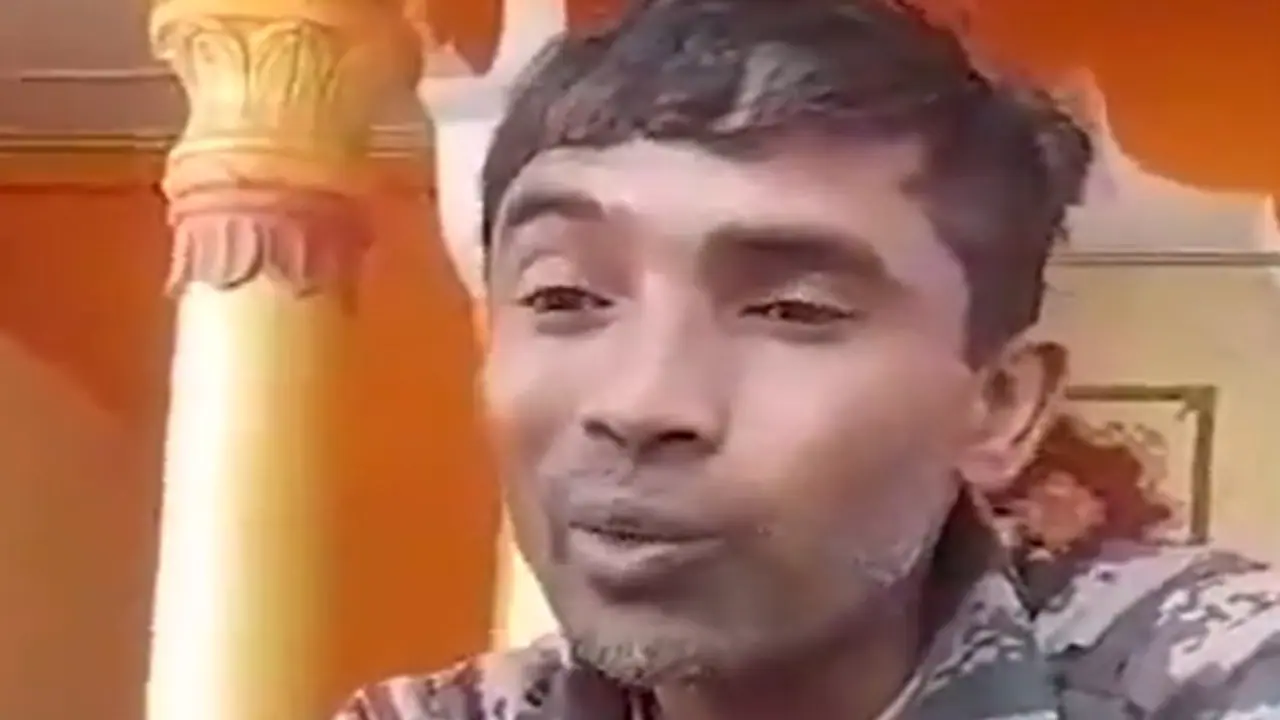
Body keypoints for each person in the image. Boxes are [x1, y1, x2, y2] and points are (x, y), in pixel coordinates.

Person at [337, 0, 1280, 717]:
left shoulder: (1213, 674)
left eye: (792, 308)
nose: (639, 403)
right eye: (564, 298)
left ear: (998, 405)